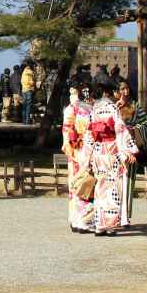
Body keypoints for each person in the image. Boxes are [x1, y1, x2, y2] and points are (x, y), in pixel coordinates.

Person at [86, 86, 139, 236]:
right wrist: (127, 151)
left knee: (99, 187)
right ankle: (109, 226)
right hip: (111, 150)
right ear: (108, 93)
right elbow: (120, 130)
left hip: (98, 150)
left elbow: (89, 133)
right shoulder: (111, 107)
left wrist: (87, 156)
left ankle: (98, 224)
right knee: (113, 187)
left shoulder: (94, 108)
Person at [114, 82, 147, 227]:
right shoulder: (113, 106)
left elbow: (146, 123)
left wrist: (134, 129)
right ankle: (114, 214)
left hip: (130, 146)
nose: (125, 91)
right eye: (122, 89)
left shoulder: (135, 105)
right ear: (117, 91)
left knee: (128, 181)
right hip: (116, 147)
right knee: (114, 183)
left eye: (127, 88)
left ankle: (125, 216)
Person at [62, 85, 95, 233]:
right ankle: (82, 220)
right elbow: (70, 131)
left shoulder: (74, 108)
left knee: (77, 184)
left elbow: (67, 130)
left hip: (77, 149)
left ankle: (75, 219)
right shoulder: (79, 109)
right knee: (83, 184)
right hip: (81, 149)